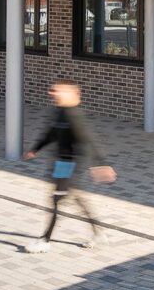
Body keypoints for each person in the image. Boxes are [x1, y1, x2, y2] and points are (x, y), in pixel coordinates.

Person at [22, 79, 116, 253]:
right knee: (75, 199)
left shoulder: (74, 115)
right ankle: (99, 234)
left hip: (71, 164)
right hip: (61, 163)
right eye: (52, 91)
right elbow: (51, 133)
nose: (52, 93)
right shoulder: (59, 112)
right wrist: (35, 149)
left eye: (57, 91)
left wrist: (101, 163)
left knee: (56, 200)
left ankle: (45, 240)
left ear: (70, 93)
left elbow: (87, 139)